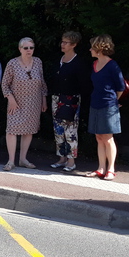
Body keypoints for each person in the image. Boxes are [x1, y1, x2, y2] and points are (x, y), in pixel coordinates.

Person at [1, 37, 47, 171]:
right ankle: (11, 161)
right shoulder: (12, 63)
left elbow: (42, 82)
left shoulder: (38, 62)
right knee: (12, 130)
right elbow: (5, 84)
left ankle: (23, 159)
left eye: (31, 48)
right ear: (20, 49)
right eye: (25, 48)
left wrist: (44, 99)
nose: (29, 50)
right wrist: (11, 100)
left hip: (34, 102)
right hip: (16, 102)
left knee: (29, 130)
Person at [86, 34, 126, 180]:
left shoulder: (112, 65)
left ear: (99, 48)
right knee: (99, 137)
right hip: (95, 103)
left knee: (108, 138)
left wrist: (113, 102)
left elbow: (121, 87)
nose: (90, 50)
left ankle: (111, 169)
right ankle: (101, 168)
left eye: (92, 47)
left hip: (108, 105)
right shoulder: (94, 64)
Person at [48, 31, 88, 172]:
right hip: (56, 98)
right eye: (62, 41)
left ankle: (71, 161)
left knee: (70, 130)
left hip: (71, 99)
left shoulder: (79, 63)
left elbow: (83, 85)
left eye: (66, 42)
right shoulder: (59, 60)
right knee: (58, 129)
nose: (62, 44)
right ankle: (61, 158)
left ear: (74, 45)